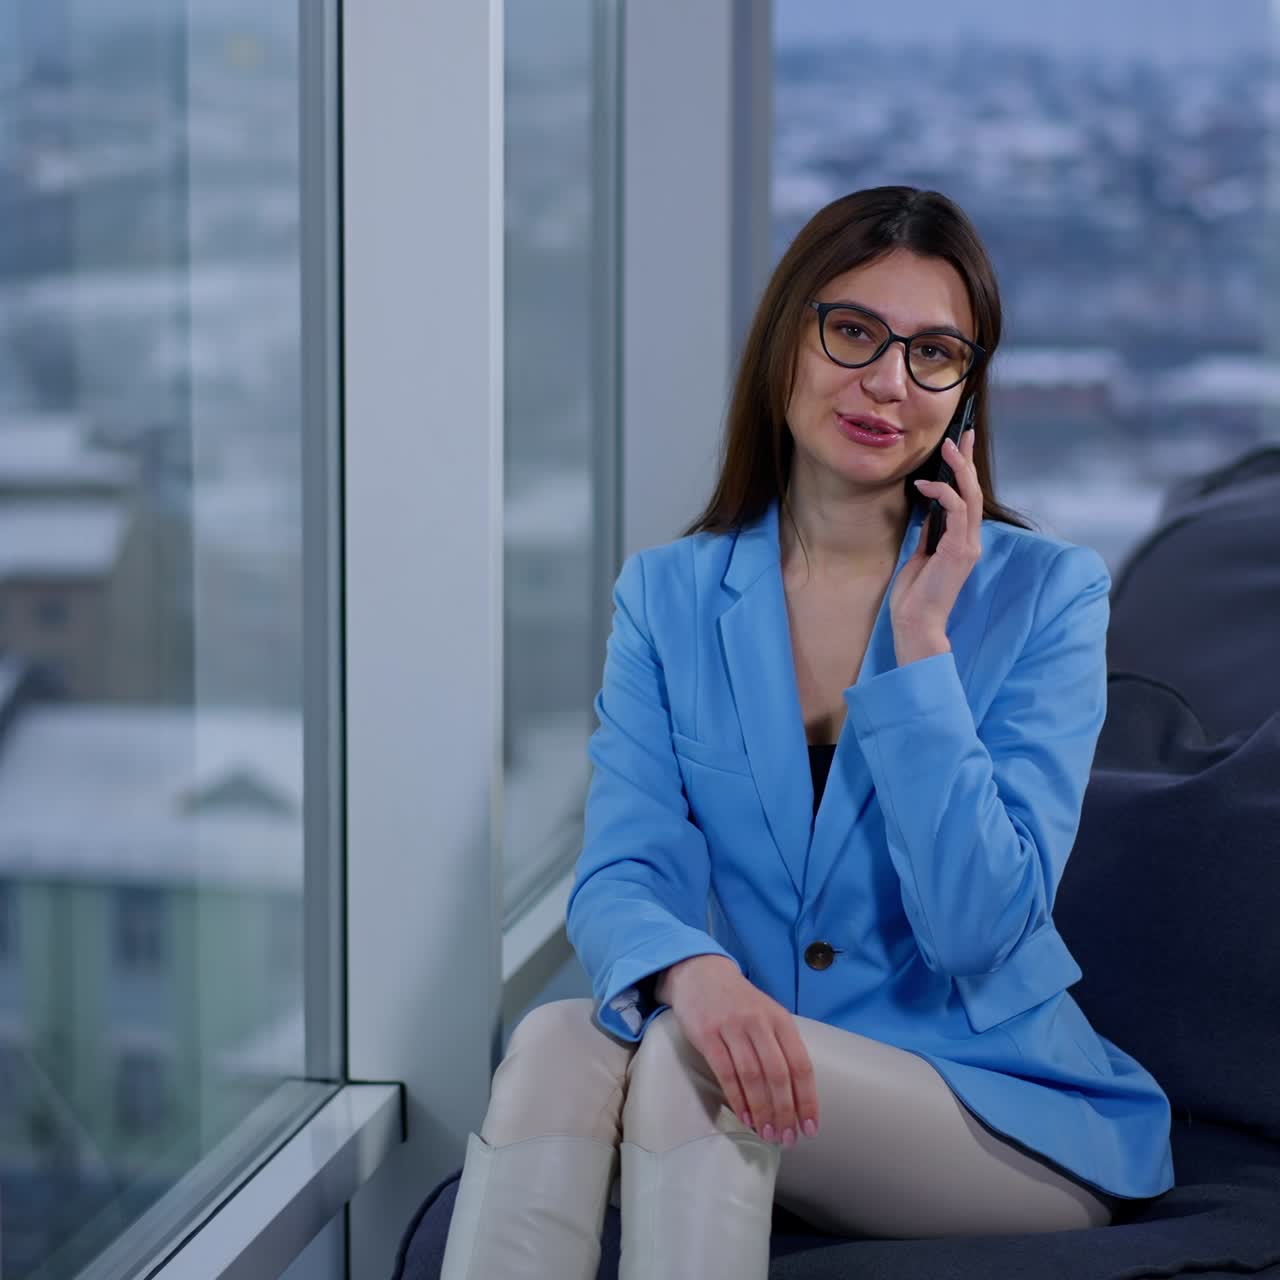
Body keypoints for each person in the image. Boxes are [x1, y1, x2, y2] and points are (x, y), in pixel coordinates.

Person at [438, 186, 1175, 1280]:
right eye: (854, 332)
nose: (889, 381)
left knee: (690, 1064)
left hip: (995, 1108)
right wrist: (692, 969)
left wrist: (921, 649)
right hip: (762, 1065)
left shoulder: (1046, 593)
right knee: (554, 1036)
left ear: (965, 393)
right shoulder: (669, 595)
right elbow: (624, 868)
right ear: (786, 338)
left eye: (934, 353)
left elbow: (982, 928)